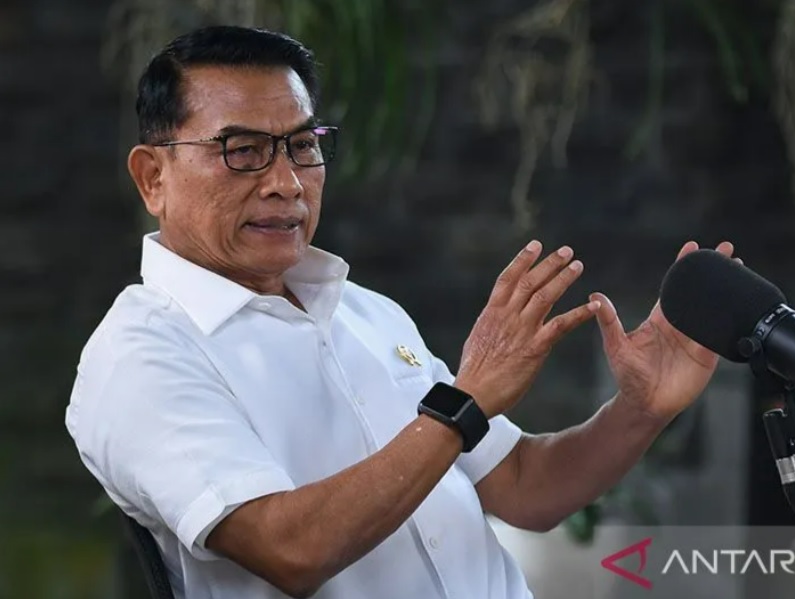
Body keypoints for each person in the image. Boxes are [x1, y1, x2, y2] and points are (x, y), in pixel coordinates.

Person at [65, 25, 739, 599]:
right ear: (153, 177)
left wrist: (642, 407)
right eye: (242, 151)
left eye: (302, 145)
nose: (285, 183)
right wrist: (462, 404)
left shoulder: (364, 312)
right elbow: (288, 549)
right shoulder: (141, 354)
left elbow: (525, 486)